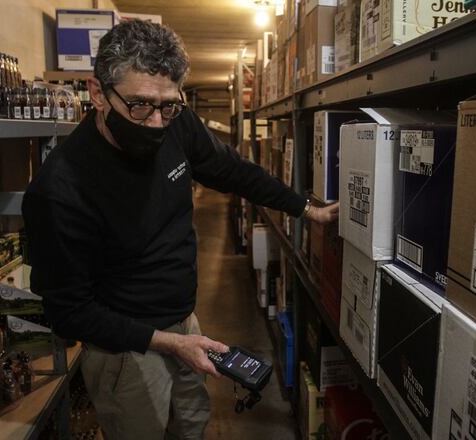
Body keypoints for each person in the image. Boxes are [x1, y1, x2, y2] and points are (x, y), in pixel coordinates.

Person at [21, 19, 337, 439]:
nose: (155, 123)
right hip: (126, 352)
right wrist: (168, 343)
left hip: (185, 325)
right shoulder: (60, 189)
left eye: (168, 105)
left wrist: (303, 208)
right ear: (98, 94)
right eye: (139, 106)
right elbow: (68, 312)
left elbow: (230, 171)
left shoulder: (177, 123)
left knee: (191, 427)